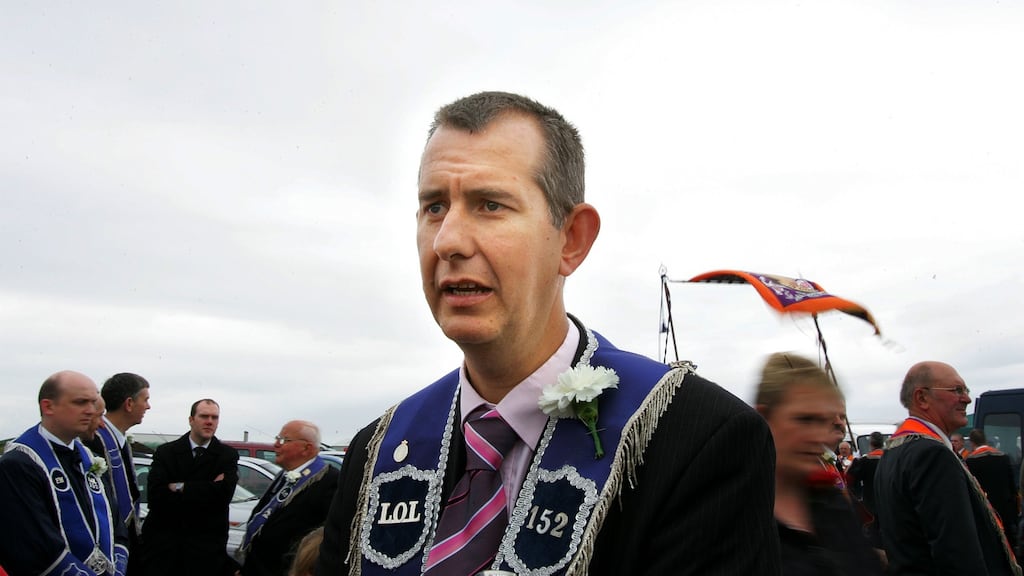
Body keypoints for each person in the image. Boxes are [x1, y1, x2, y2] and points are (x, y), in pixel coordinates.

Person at [316, 91, 780, 575]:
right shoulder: (376, 454)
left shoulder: (700, 440)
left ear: (571, 240)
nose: (447, 240)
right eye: (434, 206)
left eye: (490, 205)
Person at [874, 361, 1022, 575]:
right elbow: (956, 552)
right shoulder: (932, 454)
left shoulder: (893, 452)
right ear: (922, 398)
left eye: (966, 390)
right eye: (957, 390)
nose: (967, 398)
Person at [755, 352, 883, 575]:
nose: (818, 437)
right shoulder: (734, 516)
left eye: (824, 422)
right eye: (804, 419)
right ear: (764, 418)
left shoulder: (833, 504)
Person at [0, 370, 128, 575]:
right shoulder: (20, 463)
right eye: (80, 402)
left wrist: (118, 568)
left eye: (93, 402)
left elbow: (116, 525)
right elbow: (32, 544)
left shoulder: (88, 458)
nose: (90, 410)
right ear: (48, 406)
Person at [142, 399, 239, 576]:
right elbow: (156, 496)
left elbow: (223, 496)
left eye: (214, 417)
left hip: (205, 552)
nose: (209, 421)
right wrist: (207, 489)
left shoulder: (227, 455)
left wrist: (178, 487)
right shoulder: (166, 452)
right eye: (204, 416)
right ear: (191, 419)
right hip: (165, 549)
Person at [236, 421, 339, 576]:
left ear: (307, 448)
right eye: (277, 438)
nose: (276, 444)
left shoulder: (329, 481)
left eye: (284, 440)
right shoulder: (283, 475)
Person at [97, 372, 151, 574]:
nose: (148, 406)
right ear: (129, 403)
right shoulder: (94, 441)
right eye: (145, 399)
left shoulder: (120, 440)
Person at [967, 428, 1020, 552]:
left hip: (986, 508)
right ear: (985, 439)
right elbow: (1012, 486)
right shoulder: (1003, 457)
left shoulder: (971, 461)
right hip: (1005, 507)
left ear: (972, 442)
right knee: (1008, 542)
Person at [846, 431, 886, 548]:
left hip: (871, 502)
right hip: (889, 502)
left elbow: (849, 480)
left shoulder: (864, 461)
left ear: (871, 444)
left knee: (873, 534)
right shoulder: (892, 459)